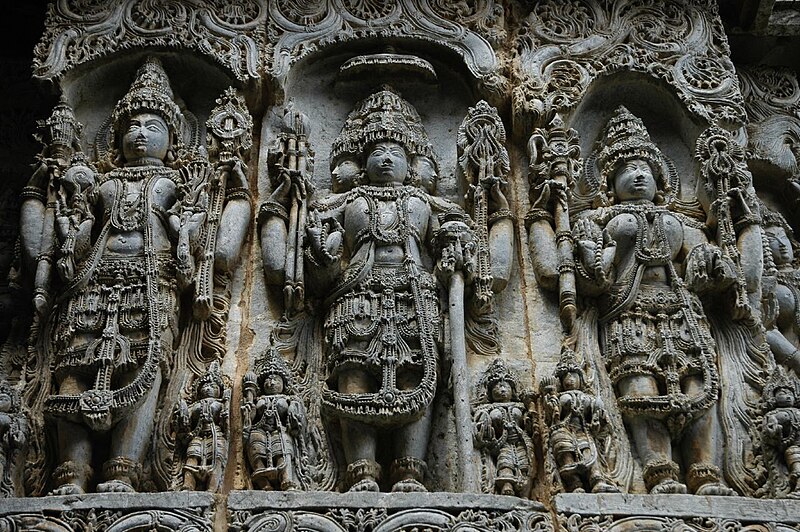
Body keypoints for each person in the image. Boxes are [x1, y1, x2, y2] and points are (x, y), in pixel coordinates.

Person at [262, 87, 509, 492]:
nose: (386, 157)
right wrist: (322, 251)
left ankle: (409, 470)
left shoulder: (426, 202)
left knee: (417, 374)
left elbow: (472, 254)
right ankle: (362, 471)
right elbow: (309, 262)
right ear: (358, 161)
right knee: (353, 372)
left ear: (414, 161)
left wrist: (456, 248)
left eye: (395, 149)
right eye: (376, 150)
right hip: (357, 298)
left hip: (416, 297)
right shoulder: (344, 202)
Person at [32, 57, 249, 494]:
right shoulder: (100, 183)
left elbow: (198, 235)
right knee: (73, 368)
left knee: (143, 367)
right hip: (92, 286)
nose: (141, 133)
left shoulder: (175, 183)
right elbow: (77, 238)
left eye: (153, 125)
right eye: (131, 125)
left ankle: (122, 468)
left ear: (173, 139)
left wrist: (190, 225)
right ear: (115, 136)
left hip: (152, 286)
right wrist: (69, 219)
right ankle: (71, 472)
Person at [573, 107, 737, 495]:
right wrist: (591, 250)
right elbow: (594, 277)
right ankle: (659, 469)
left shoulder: (679, 221)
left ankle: (704, 469)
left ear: (661, 177)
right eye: (627, 168)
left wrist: (709, 259)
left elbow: (703, 262)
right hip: (628, 312)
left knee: (699, 385)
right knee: (639, 387)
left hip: (681, 313)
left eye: (646, 166)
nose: (639, 174)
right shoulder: (600, 219)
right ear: (610, 182)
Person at [543, 348, 619, 494]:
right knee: (565, 452)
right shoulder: (559, 397)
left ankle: (596, 479)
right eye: (566, 376)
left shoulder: (587, 397)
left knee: (589, 451)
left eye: (573, 375)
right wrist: (548, 394)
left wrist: (597, 417)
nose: (570, 379)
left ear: (580, 378)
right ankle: (574, 484)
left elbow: (596, 414)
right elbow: (552, 415)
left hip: (583, 430)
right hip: (564, 430)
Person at [242, 347, 308, 491]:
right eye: (268, 380)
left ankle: (286, 479)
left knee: (283, 446)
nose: (271, 383)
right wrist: (249, 411)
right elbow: (252, 418)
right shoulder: (259, 399)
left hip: (280, 430)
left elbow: (296, 421)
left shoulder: (289, 399)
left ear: (284, 384)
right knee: (255, 446)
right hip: (260, 429)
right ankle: (263, 483)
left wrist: (293, 409)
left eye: (276, 380)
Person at [473, 359, 532, 496]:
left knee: (523, 464)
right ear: (489, 391)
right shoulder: (486, 409)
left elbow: (530, 425)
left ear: (513, 389)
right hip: (501, 444)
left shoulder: (520, 407)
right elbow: (480, 429)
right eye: (497, 387)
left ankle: (525, 488)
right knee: (505, 463)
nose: (502, 389)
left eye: (506, 386)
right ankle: (506, 485)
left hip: (520, 442)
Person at [174, 362, 228, 492]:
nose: (208, 388)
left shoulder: (221, 403)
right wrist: (182, 414)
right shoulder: (195, 405)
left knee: (217, 458)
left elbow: (226, 422)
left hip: (216, 434)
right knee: (192, 457)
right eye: (205, 386)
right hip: (197, 435)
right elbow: (186, 425)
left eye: (213, 386)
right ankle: (188, 484)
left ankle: (212, 488)